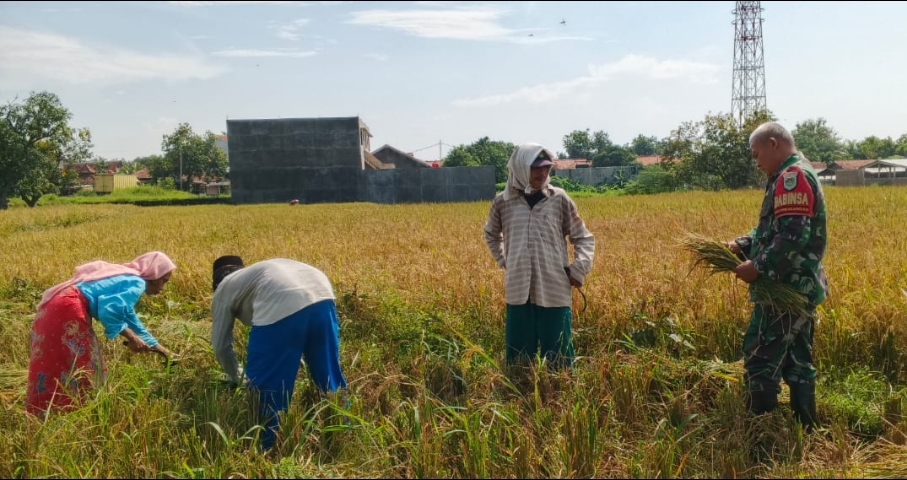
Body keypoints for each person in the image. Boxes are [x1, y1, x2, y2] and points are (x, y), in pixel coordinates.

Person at [725, 122, 828, 432]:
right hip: (801, 287)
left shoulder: (791, 177)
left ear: (773, 144)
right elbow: (775, 230)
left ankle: (760, 436)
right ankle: (805, 429)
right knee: (798, 363)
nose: (756, 162)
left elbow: (793, 236)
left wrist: (757, 267)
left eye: (757, 154)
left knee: (759, 359)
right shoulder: (792, 173)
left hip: (784, 289)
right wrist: (743, 244)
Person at [210, 256, 348, 451]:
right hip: (322, 294)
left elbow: (220, 346)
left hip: (280, 298)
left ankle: (268, 448)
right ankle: (344, 432)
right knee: (329, 376)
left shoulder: (223, 288)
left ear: (216, 284)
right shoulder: (253, 275)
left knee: (267, 389)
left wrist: (237, 376)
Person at [483, 143, 595, 371]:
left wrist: (579, 268)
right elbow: (491, 234)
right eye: (535, 167)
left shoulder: (559, 199)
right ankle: (520, 390)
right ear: (521, 168)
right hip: (518, 290)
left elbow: (583, 237)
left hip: (553, 287)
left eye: (546, 167)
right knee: (519, 360)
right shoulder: (503, 202)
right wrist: (505, 260)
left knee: (559, 357)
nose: (542, 172)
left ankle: (559, 391)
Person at [26, 251, 177, 415]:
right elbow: (110, 311)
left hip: (57, 304)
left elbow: (132, 322)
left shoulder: (127, 279)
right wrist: (132, 338)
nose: (162, 288)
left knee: (55, 359)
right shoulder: (137, 283)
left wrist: (164, 352)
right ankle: (80, 410)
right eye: (163, 281)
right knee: (85, 364)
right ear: (154, 274)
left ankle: (47, 410)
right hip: (68, 308)